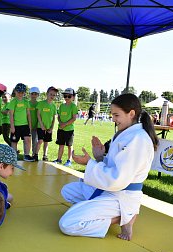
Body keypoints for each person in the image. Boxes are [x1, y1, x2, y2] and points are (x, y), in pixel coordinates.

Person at [59, 93, 159, 241]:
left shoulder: (139, 139)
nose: (113, 119)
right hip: (110, 189)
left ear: (131, 114)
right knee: (68, 191)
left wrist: (89, 163)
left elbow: (118, 179)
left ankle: (121, 218)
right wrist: (100, 157)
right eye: (112, 115)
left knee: (67, 224)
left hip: (122, 196)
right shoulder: (123, 134)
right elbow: (115, 167)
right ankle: (99, 210)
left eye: (116, 115)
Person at [8, 83, 34, 162]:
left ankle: (26, 155)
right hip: (16, 125)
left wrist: (30, 126)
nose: (20, 94)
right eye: (19, 92)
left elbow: (28, 114)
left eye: (22, 92)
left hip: (25, 125)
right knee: (14, 141)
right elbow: (11, 114)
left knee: (27, 140)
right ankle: (13, 156)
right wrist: (12, 126)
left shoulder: (26, 102)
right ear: (15, 91)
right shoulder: (13, 102)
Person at [53, 88, 78, 167]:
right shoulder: (61, 106)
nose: (67, 98)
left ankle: (69, 160)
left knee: (69, 146)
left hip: (69, 130)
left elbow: (74, 118)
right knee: (61, 145)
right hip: (61, 129)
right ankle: (59, 159)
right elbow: (59, 116)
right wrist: (60, 123)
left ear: (73, 97)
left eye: (69, 96)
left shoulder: (73, 106)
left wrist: (65, 124)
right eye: (65, 96)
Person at [35, 86, 58, 161]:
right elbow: (38, 114)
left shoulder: (54, 106)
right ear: (47, 94)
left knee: (46, 142)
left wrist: (51, 127)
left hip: (49, 127)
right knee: (40, 141)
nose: (52, 96)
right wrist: (41, 124)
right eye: (51, 94)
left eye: (54, 95)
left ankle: (45, 155)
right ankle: (35, 154)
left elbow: (54, 117)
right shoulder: (41, 103)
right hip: (40, 126)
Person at [29, 87, 40, 161]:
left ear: (38, 95)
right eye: (32, 94)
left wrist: (37, 125)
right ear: (30, 94)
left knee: (35, 141)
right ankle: (26, 154)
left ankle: (34, 154)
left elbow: (39, 115)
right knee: (27, 141)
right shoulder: (27, 103)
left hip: (36, 126)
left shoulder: (39, 104)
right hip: (28, 125)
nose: (33, 95)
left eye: (35, 94)